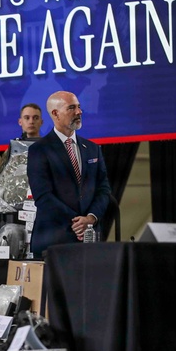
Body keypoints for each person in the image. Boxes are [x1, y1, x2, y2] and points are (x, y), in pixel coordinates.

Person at [27, 91, 111, 256]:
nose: (79, 112)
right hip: (54, 240)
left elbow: (103, 189)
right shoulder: (39, 150)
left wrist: (91, 218)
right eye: (71, 108)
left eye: (79, 107)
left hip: (89, 240)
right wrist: (78, 223)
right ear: (55, 114)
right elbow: (43, 196)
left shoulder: (92, 149)